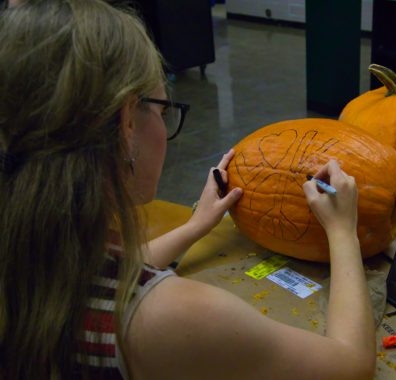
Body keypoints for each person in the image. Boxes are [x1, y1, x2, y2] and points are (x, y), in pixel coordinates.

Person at [0, 1, 376, 379]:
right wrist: (343, 231)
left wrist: (197, 225)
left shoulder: (35, 251)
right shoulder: (171, 317)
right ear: (127, 122)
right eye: (163, 111)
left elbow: (107, 272)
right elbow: (350, 365)